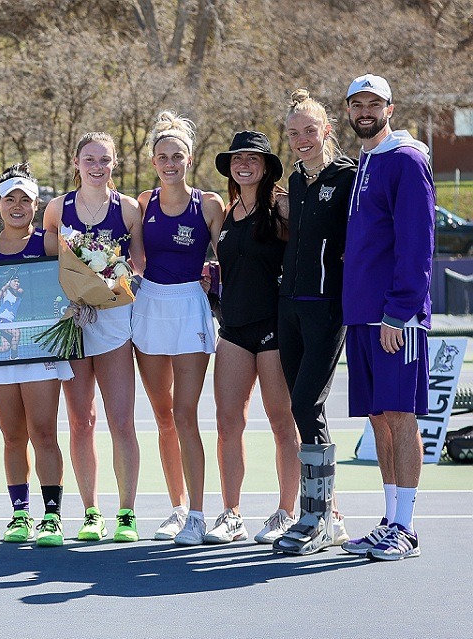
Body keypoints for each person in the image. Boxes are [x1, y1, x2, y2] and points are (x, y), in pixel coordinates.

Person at [338, 74, 434, 561]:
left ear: (391, 108)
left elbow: (418, 246)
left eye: (374, 103)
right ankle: (389, 517)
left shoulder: (407, 159)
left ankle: (407, 527)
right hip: (361, 316)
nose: (365, 111)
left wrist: (399, 313)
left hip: (395, 318)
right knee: (378, 419)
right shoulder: (365, 163)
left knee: (400, 416)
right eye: (357, 104)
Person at [42, 132, 144, 542]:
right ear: (77, 162)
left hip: (115, 321)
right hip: (74, 322)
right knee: (81, 421)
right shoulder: (56, 208)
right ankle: (90, 512)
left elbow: (138, 264)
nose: (97, 166)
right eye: (90, 159)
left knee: (121, 421)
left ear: (114, 163)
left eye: (105, 159)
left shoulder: (129, 209)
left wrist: (110, 276)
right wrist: (81, 282)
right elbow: (52, 257)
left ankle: (126, 513)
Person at [129, 112, 225, 542]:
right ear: (153, 161)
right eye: (163, 157)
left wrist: (213, 280)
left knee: (186, 415)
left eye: (178, 156)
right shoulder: (143, 204)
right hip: (149, 305)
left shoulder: (208, 204)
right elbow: (130, 262)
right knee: (163, 417)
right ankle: (177, 506)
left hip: (190, 307)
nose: (170, 163)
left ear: (189, 159)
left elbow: (230, 256)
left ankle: (200, 515)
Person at [205, 131, 300, 546]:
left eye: (253, 158)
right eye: (238, 158)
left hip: (275, 328)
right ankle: (231, 514)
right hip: (233, 329)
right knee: (228, 424)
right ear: (230, 166)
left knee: (282, 422)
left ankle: (287, 511)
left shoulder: (281, 205)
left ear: (265, 166)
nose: (245, 164)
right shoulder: (226, 214)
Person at [272, 90, 357, 555]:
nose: (302, 139)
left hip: (327, 308)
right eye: (294, 133)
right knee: (304, 410)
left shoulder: (348, 176)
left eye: (310, 130)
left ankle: (315, 517)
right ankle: (325, 518)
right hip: (290, 307)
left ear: (326, 129)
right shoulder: (295, 182)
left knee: (306, 405)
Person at [0, 164, 72, 546]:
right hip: (1, 354)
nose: (17, 206)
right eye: (9, 199)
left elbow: (74, 283)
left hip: (41, 348)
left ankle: (51, 516)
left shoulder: (48, 242)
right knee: (12, 435)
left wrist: (73, 304)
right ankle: (19, 514)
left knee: (43, 432)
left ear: (36, 204)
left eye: (25, 200)